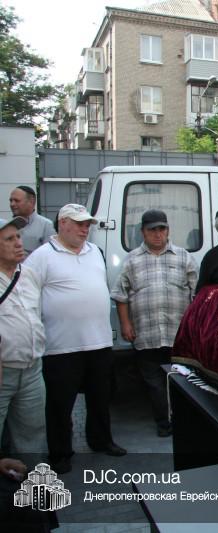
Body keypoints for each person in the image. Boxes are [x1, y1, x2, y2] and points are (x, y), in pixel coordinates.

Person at [25, 204, 127, 474]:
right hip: (61, 347)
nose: (85, 229)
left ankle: (101, 440)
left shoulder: (95, 252)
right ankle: (60, 453)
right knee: (60, 404)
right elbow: (28, 298)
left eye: (87, 224)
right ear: (63, 223)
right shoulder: (42, 256)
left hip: (99, 342)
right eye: (80, 224)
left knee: (101, 397)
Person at [111, 210, 197, 437]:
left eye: (162, 229)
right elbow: (120, 295)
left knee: (180, 379)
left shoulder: (183, 257)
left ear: (168, 230)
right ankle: (163, 422)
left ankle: (182, 420)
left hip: (177, 334)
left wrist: (194, 328)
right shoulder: (132, 260)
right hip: (146, 334)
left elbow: (196, 294)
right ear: (143, 232)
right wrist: (125, 324)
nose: (158, 234)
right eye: (152, 230)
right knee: (154, 382)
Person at [0, 216, 46, 455]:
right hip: (3, 371)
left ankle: (32, 474)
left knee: (33, 432)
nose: (19, 243)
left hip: (32, 370)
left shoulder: (29, 275)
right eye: (9, 239)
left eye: (18, 236)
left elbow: (36, 315)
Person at [9, 186, 55, 257]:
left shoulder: (46, 225)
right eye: (11, 201)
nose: (12, 204)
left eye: (17, 200)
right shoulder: (8, 226)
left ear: (31, 201)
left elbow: (50, 256)